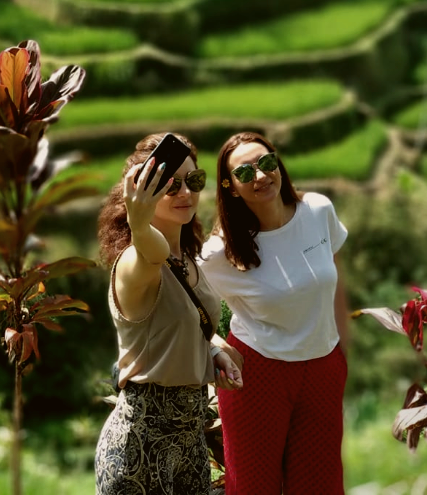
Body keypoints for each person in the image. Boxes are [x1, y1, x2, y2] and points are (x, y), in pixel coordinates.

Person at [201, 131, 350, 495]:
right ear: (231, 187)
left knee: (321, 485)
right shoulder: (220, 252)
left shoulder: (318, 210)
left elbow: (336, 282)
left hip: (323, 368)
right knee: (254, 487)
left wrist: (342, 353)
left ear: (278, 166)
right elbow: (181, 300)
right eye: (245, 172)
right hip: (257, 373)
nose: (261, 176)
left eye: (267, 164)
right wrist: (215, 342)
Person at [95, 132, 243, 495]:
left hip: (190, 441)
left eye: (193, 181)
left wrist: (213, 351)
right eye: (169, 184)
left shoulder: (188, 263)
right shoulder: (137, 260)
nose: (185, 193)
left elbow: (185, 327)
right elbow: (151, 251)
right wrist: (140, 223)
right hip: (138, 448)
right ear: (143, 191)